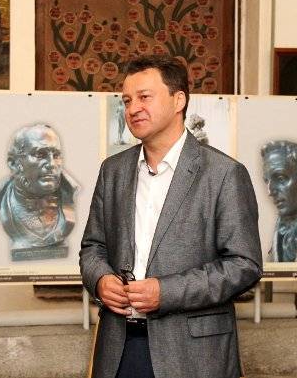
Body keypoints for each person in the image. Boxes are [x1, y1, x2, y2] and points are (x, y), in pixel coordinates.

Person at [80, 55, 263, 378]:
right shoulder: (113, 171)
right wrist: (100, 280)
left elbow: (244, 264)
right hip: (119, 347)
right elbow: (93, 247)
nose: (133, 109)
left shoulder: (223, 174)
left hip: (193, 354)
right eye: (127, 100)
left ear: (178, 100)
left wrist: (166, 293)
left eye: (144, 97)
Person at [0, 124, 78, 261]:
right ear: (14, 163)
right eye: (40, 154)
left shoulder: (69, 193)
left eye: (56, 155)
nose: (51, 164)